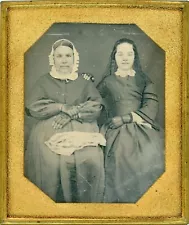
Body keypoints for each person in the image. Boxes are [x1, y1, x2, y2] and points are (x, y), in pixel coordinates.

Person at [24, 39, 105, 203]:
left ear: (74, 58)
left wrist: (72, 112)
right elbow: (33, 106)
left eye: (68, 55)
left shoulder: (83, 82)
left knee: (91, 159)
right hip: (49, 130)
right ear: (53, 59)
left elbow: (96, 105)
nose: (64, 60)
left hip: (82, 129)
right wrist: (60, 107)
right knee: (50, 163)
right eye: (59, 56)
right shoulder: (44, 81)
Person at [97, 38, 165, 203]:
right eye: (120, 54)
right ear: (114, 58)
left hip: (142, 125)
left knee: (153, 155)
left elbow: (151, 105)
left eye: (129, 54)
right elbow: (94, 101)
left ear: (135, 57)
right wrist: (86, 81)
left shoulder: (144, 80)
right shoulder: (107, 82)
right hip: (115, 130)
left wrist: (126, 118)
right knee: (121, 155)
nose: (125, 58)